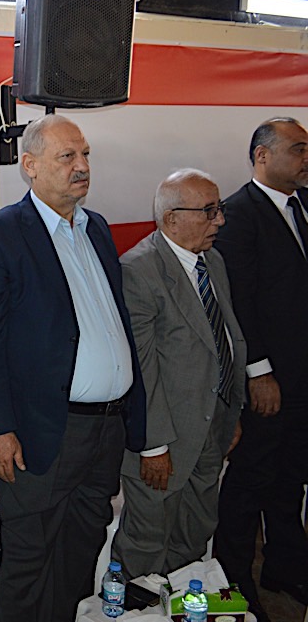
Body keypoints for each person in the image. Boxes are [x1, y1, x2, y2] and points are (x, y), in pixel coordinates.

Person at [0, 114, 146, 622]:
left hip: (105, 430)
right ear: (30, 165)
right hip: (42, 432)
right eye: (68, 157)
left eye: (85, 154)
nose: (82, 166)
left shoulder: (96, 227)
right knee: (29, 562)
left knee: (80, 555)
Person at [110, 169, 245, 580]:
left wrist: (230, 413)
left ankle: (184, 605)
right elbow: (142, 369)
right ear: (171, 218)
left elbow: (223, 340)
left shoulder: (212, 261)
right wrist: (153, 446)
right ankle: (136, 608)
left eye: (219, 208)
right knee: (146, 546)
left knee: (194, 538)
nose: (220, 220)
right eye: (209, 211)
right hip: (163, 442)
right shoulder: (139, 270)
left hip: (210, 428)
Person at [213, 117, 308, 615]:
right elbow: (239, 304)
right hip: (268, 380)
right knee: (250, 480)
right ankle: (233, 581)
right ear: (262, 156)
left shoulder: (304, 205)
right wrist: (259, 371)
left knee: (291, 476)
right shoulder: (238, 214)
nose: (307, 158)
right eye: (298, 149)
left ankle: (285, 566)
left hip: (304, 377)